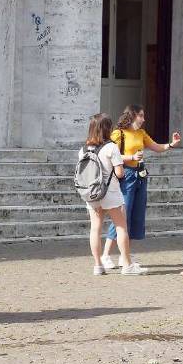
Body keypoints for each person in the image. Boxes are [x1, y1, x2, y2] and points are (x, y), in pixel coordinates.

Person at [99, 104, 181, 274]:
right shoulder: (118, 133)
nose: (143, 119)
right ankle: (106, 255)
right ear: (132, 116)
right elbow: (109, 153)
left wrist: (171, 145)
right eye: (141, 116)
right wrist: (130, 157)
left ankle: (124, 255)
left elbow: (156, 147)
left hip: (140, 176)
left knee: (136, 215)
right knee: (122, 215)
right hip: (126, 175)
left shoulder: (141, 133)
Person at [77, 113, 136, 276]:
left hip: (92, 193)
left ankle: (98, 265)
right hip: (110, 192)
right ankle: (127, 264)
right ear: (107, 128)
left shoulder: (83, 150)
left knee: (95, 228)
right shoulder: (111, 147)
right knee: (121, 226)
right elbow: (120, 172)